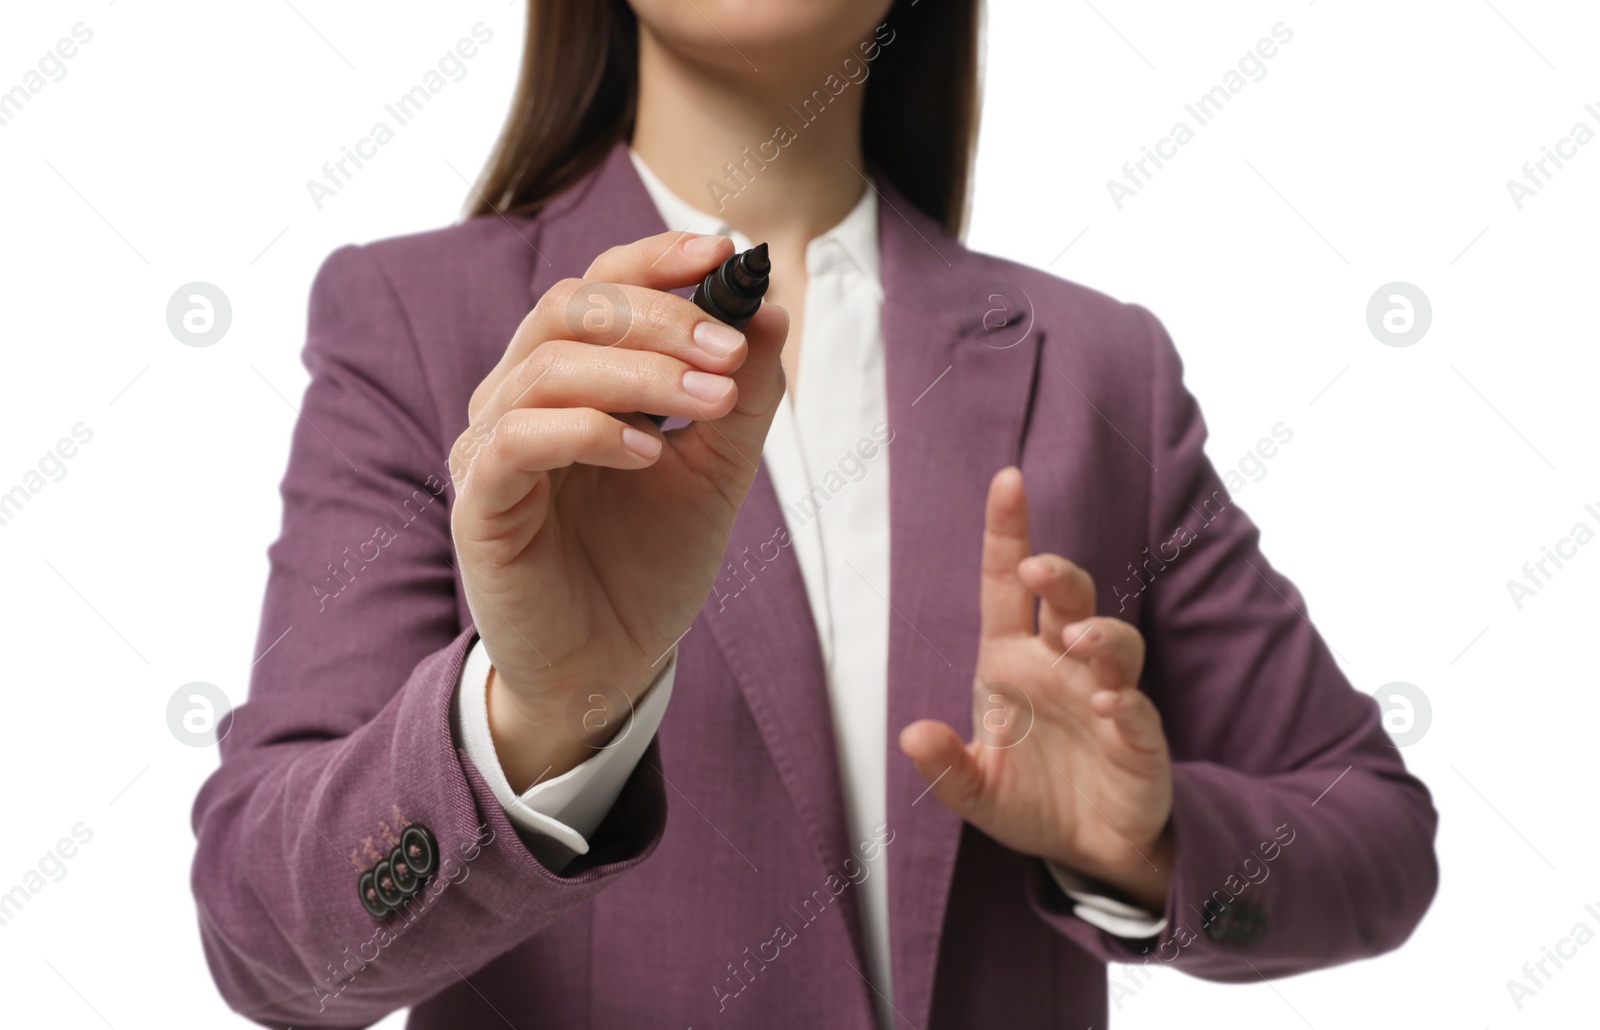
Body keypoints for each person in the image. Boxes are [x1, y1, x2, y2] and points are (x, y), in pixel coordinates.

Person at [190, 1, 1439, 1026]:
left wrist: (1144, 846)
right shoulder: (416, 320)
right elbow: (267, 945)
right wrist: (538, 718)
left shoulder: (1097, 363)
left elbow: (1376, 833)